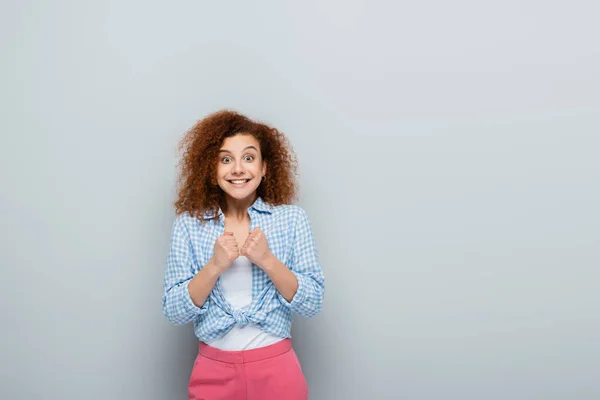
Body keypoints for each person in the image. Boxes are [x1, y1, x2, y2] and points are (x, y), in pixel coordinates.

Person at [162, 110, 325, 400]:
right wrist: (214, 267)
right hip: (213, 371)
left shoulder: (292, 219)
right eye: (226, 159)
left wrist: (268, 261)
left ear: (264, 168)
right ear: (211, 169)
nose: (238, 169)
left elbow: (312, 302)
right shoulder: (188, 225)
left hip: (278, 371)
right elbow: (174, 311)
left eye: (248, 158)